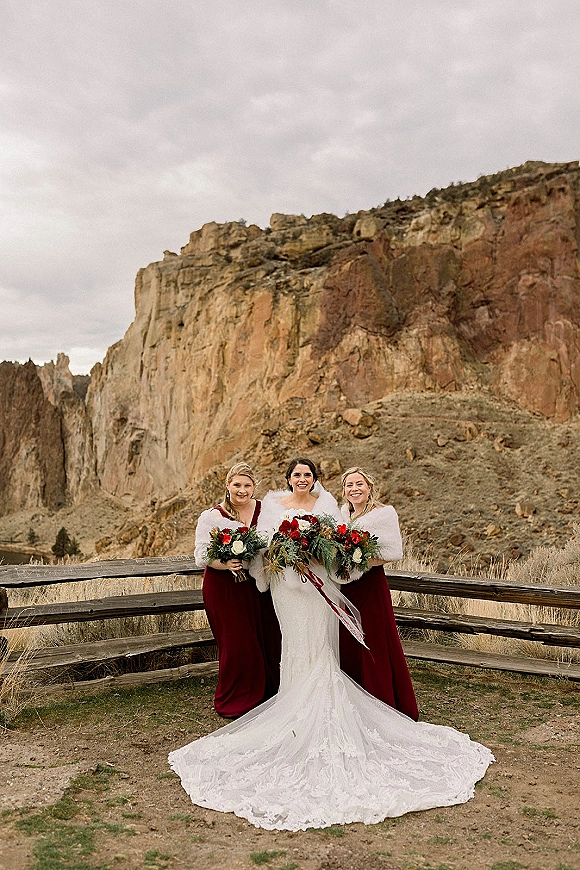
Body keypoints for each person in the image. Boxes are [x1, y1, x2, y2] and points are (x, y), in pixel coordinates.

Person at [170, 458, 493, 831]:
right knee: (292, 641)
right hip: (285, 588)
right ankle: (291, 697)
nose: (302, 479)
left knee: (321, 642)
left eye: (308, 475)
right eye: (296, 475)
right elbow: (265, 546)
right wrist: (279, 555)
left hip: (318, 586)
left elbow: (336, 543)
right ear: (288, 479)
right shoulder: (274, 505)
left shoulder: (329, 507)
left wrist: (314, 554)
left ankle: (320, 699)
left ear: (316, 480)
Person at [193, 462, 280, 718]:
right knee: (237, 643)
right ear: (228, 486)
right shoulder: (212, 516)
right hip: (224, 588)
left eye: (247, 485)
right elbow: (200, 555)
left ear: (255, 487)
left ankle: (268, 692)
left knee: (267, 636)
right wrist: (224, 563)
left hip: (259, 586)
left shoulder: (266, 511)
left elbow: (276, 540)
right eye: (237, 485)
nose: (242, 490)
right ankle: (238, 698)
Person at [338, 466, 419, 720]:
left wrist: (360, 560)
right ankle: (356, 700)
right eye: (349, 485)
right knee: (349, 642)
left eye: (359, 484)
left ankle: (382, 699)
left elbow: (393, 551)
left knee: (374, 643)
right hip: (345, 588)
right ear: (344, 491)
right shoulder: (342, 515)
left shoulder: (384, 514)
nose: (354, 489)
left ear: (369, 486)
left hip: (370, 585)